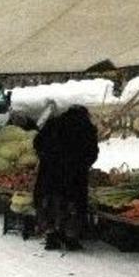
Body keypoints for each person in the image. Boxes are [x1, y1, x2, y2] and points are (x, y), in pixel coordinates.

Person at [34, 105, 99, 252]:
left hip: (50, 173)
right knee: (73, 205)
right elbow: (92, 152)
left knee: (51, 202)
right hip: (74, 175)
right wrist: (83, 165)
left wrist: (45, 157)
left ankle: (51, 236)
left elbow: (37, 142)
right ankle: (70, 237)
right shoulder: (86, 128)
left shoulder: (53, 123)